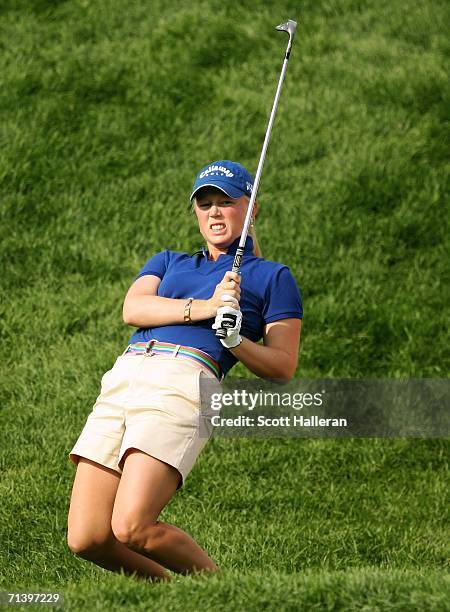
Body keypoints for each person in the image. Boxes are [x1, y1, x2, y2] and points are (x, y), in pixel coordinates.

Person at [67, 160, 303, 581]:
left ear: (251, 210)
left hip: (184, 381)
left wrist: (236, 342)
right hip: (125, 376)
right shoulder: (169, 261)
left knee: (132, 526)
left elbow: (282, 366)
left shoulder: (271, 277)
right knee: (87, 538)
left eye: (226, 202)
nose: (214, 211)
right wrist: (208, 307)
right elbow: (133, 308)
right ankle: (180, 593)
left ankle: (226, 593)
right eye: (205, 203)